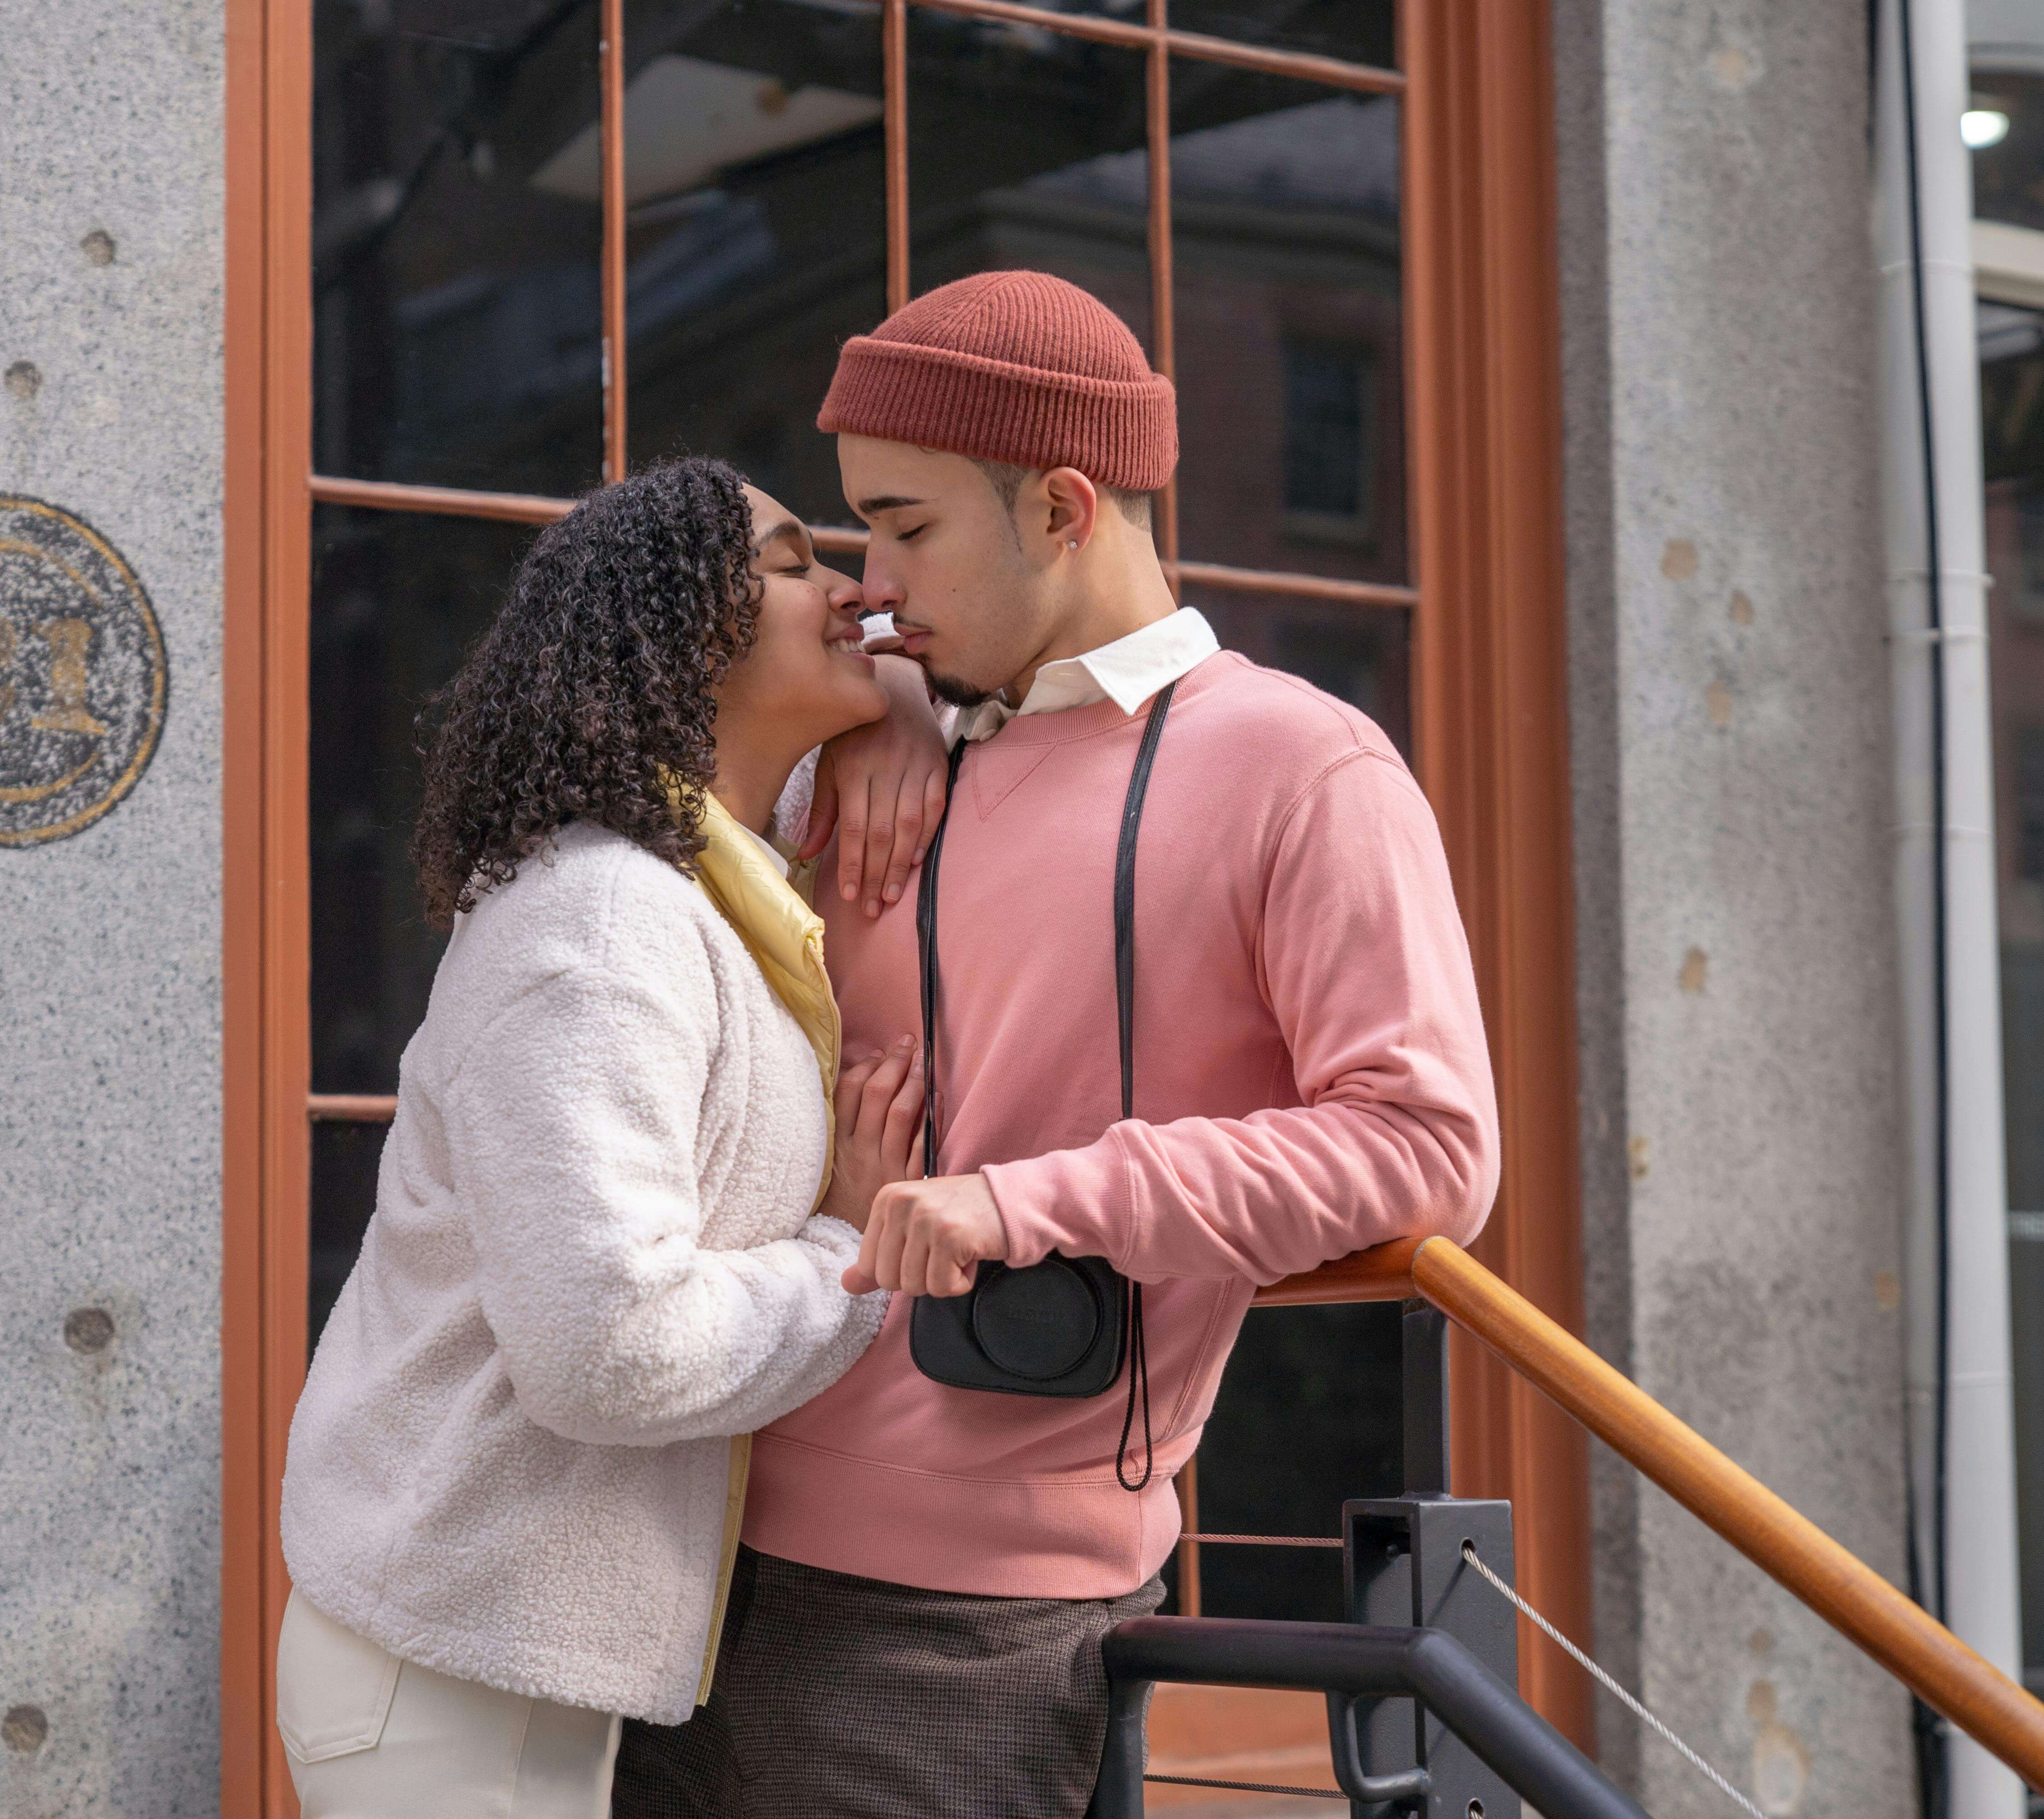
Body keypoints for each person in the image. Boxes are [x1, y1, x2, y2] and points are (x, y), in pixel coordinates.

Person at [612, 272, 1503, 1816]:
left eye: (907, 527)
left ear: (1063, 509)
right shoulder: (874, 748)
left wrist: (1028, 1201)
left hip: (965, 1624)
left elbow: (1427, 1149)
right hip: (682, 1550)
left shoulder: (1304, 771)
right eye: (858, 534)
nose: (874, 583)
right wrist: (888, 701)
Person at [274, 458, 936, 1818]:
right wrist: (844, 1260)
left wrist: (909, 712)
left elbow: (866, 748)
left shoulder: (705, 890)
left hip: (508, 1666)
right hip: (447, 1685)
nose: (851, 590)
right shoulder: (601, 926)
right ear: (681, 630)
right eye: (794, 563)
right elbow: (604, 1352)